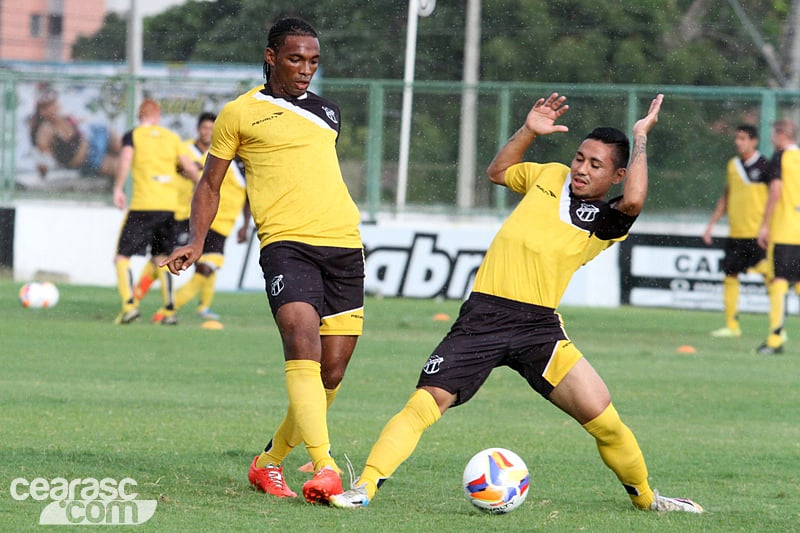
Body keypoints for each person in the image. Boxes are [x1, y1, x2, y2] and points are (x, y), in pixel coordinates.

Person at [329, 93, 701, 514]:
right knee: (424, 403)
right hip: (483, 318)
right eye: (580, 157)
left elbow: (634, 201)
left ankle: (648, 499)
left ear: (617, 174)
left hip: (538, 328)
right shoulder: (549, 174)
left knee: (607, 422)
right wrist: (528, 131)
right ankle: (364, 487)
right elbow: (498, 171)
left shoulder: (604, 220)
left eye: (596, 165)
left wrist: (640, 138)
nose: (581, 168)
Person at [161, 17, 364, 503]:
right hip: (285, 245)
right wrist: (196, 240)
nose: (305, 69)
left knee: (332, 372)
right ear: (271, 56)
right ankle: (326, 466)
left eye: (313, 61)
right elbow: (210, 183)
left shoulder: (328, 113)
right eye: (296, 59)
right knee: (302, 343)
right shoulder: (240, 113)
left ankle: (268, 463)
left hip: (343, 245)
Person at [152, 112, 250, 323]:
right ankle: (159, 306)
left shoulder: (244, 166)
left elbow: (248, 196)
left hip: (223, 225)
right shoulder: (211, 155)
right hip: (199, 218)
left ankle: (199, 307)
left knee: (207, 267)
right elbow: (187, 168)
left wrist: (245, 224)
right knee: (190, 264)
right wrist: (188, 168)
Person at [112, 98, 199, 325]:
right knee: (162, 256)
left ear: (140, 115)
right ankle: (169, 309)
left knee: (122, 256)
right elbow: (189, 167)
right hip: (168, 207)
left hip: (143, 205)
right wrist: (200, 188)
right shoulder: (171, 138)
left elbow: (126, 158)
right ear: (157, 115)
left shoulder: (134, 135)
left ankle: (129, 305)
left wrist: (118, 188)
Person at [702, 125, 770, 338]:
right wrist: (711, 224)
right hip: (736, 233)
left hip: (758, 233)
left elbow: (776, 200)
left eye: (742, 138)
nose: (738, 142)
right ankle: (732, 326)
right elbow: (726, 196)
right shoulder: (733, 165)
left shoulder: (766, 166)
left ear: (754, 141)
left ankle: (778, 328)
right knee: (730, 275)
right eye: (737, 138)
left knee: (778, 277)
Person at [755, 118, 800, 355]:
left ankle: (775, 338)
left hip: (785, 231)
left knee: (779, 282)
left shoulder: (780, 157)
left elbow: (776, 191)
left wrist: (764, 225)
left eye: (774, 134)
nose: (772, 139)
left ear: (782, 135)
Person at [29, 92, 120, 180]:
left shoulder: (65, 118)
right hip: (88, 159)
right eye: (50, 106)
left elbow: (84, 122)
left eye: (55, 103)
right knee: (120, 166)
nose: (55, 107)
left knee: (121, 146)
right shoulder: (46, 129)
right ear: (42, 112)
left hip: (94, 138)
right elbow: (42, 155)